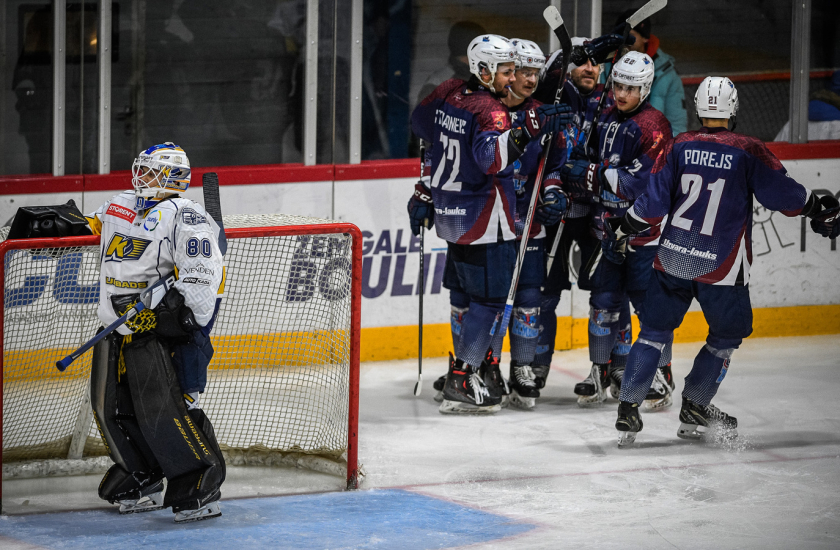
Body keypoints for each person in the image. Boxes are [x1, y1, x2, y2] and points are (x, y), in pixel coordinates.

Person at [604, 77, 840, 446]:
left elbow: (651, 205)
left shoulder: (679, 145)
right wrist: (815, 208)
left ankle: (628, 409)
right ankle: (696, 404)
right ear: (733, 110)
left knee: (653, 332)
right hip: (722, 267)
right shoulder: (747, 149)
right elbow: (782, 193)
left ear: (698, 108)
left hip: (673, 260)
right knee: (727, 335)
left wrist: (624, 226)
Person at [408, 34, 571, 414]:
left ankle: (476, 370)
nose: (512, 79)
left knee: (472, 298)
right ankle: (464, 376)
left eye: (516, 71)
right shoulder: (491, 110)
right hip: (486, 219)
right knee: (490, 300)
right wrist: (524, 130)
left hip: (451, 215)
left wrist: (426, 189)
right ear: (484, 70)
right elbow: (491, 161)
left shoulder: (450, 91)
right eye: (506, 71)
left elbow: (420, 124)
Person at [84, 143, 227, 522]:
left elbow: (201, 279)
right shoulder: (120, 204)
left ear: (173, 178)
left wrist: (172, 323)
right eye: (141, 170)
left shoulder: (187, 215)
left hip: (167, 334)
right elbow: (88, 225)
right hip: (116, 327)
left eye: (151, 172)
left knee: (171, 409)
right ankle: (142, 473)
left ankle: (200, 480)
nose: (141, 177)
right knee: (112, 407)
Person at [560, 51, 674, 409]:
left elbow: (635, 183)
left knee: (649, 307)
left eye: (631, 88)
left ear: (646, 87)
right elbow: (577, 160)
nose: (621, 94)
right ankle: (600, 369)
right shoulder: (603, 115)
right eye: (618, 86)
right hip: (605, 229)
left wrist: (590, 174)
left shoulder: (654, 125)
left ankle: (660, 372)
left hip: (643, 233)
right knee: (603, 303)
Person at [532, 35, 634, 393]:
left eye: (595, 61)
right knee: (544, 294)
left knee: (611, 294)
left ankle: (615, 367)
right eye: (582, 61)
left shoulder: (610, 100)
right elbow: (543, 78)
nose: (590, 67)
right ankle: (533, 368)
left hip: (597, 213)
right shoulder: (553, 95)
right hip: (555, 209)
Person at [612, 10, 687, 135]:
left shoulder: (666, 73)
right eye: (621, 35)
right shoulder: (608, 65)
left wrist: (665, 152)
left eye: (630, 36)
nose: (624, 41)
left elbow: (676, 124)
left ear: (645, 38)